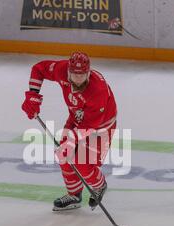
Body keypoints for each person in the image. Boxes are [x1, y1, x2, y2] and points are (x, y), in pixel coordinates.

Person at [21, 52, 117, 211]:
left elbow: (91, 125)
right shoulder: (61, 70)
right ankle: (74, 196)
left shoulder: (97, 89)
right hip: (76, 119)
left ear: (89, 72)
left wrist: (71, 141)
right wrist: (33, 95)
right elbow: (39, 69)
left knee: (83, 163)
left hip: (101, 127)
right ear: (68, 72)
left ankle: (99, 186)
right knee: (64, 156)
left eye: (82, 75)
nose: (78, 79)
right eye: (74, 74)